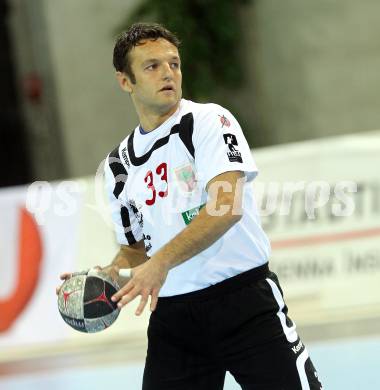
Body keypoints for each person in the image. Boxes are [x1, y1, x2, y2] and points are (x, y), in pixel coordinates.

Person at [58, 23, 322, 390]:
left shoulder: (208, 122)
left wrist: (161, 263)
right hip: (174, 319)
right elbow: (136, 249)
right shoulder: (118, 164)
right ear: (125, 81)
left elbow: (226, 208)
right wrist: (104, 276)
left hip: (244, 305)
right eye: (152, 66)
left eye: (174, 64)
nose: (168, 72)